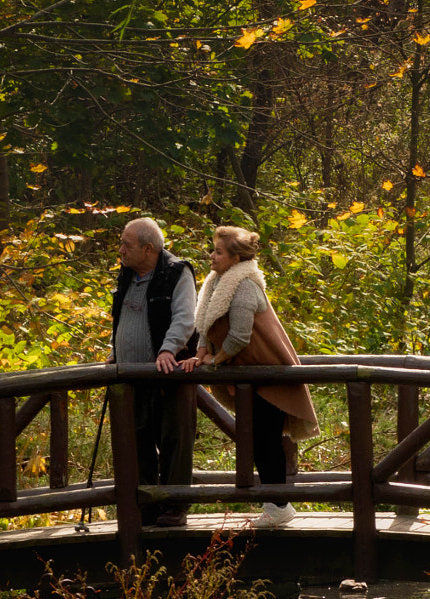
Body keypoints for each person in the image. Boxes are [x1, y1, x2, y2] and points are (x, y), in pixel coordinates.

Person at [181, 226, 319, 527]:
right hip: (252, 375)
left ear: (236, 257)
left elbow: (240, 337)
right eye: (213, 250)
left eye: (218, 252)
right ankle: (276, 504)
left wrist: (215, 360)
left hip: (270, 373)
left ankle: (279, 505)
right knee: (258, 439)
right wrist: (201, 352)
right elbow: (204, 323)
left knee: (266, 440)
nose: (212, 256)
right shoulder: (217, 282)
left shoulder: (244, 286)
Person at [110, 217, 197, 526]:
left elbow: (186, 318)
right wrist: (114, 354)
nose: (120, 249)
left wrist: (167, 350)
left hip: (169, 375)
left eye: (126, 245)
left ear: (148, 249)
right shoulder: (126, 275)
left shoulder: (175, 273)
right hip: (132, 378)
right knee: (138, 443)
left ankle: (174, 507)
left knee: (175, 440)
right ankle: (145, 507)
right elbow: (121, 319)